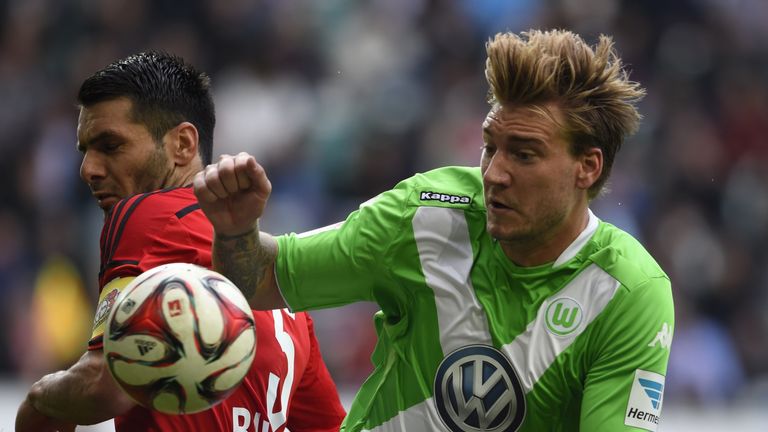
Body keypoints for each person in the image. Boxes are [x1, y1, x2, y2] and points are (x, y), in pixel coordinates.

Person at [194, 29, 675, 431]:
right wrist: (237, 231)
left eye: (524, 154)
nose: (494, 173)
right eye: (490, 147)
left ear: (587, 167)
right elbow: (257, 282)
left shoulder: (628, 293)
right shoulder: (425, 213)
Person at [16, 51, 345, 432]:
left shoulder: (144, 215)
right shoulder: (287, 298)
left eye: (110, 146)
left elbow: (106, 385)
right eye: (85, 151)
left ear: (183, 144)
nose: (88, 169)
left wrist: (39, 399)